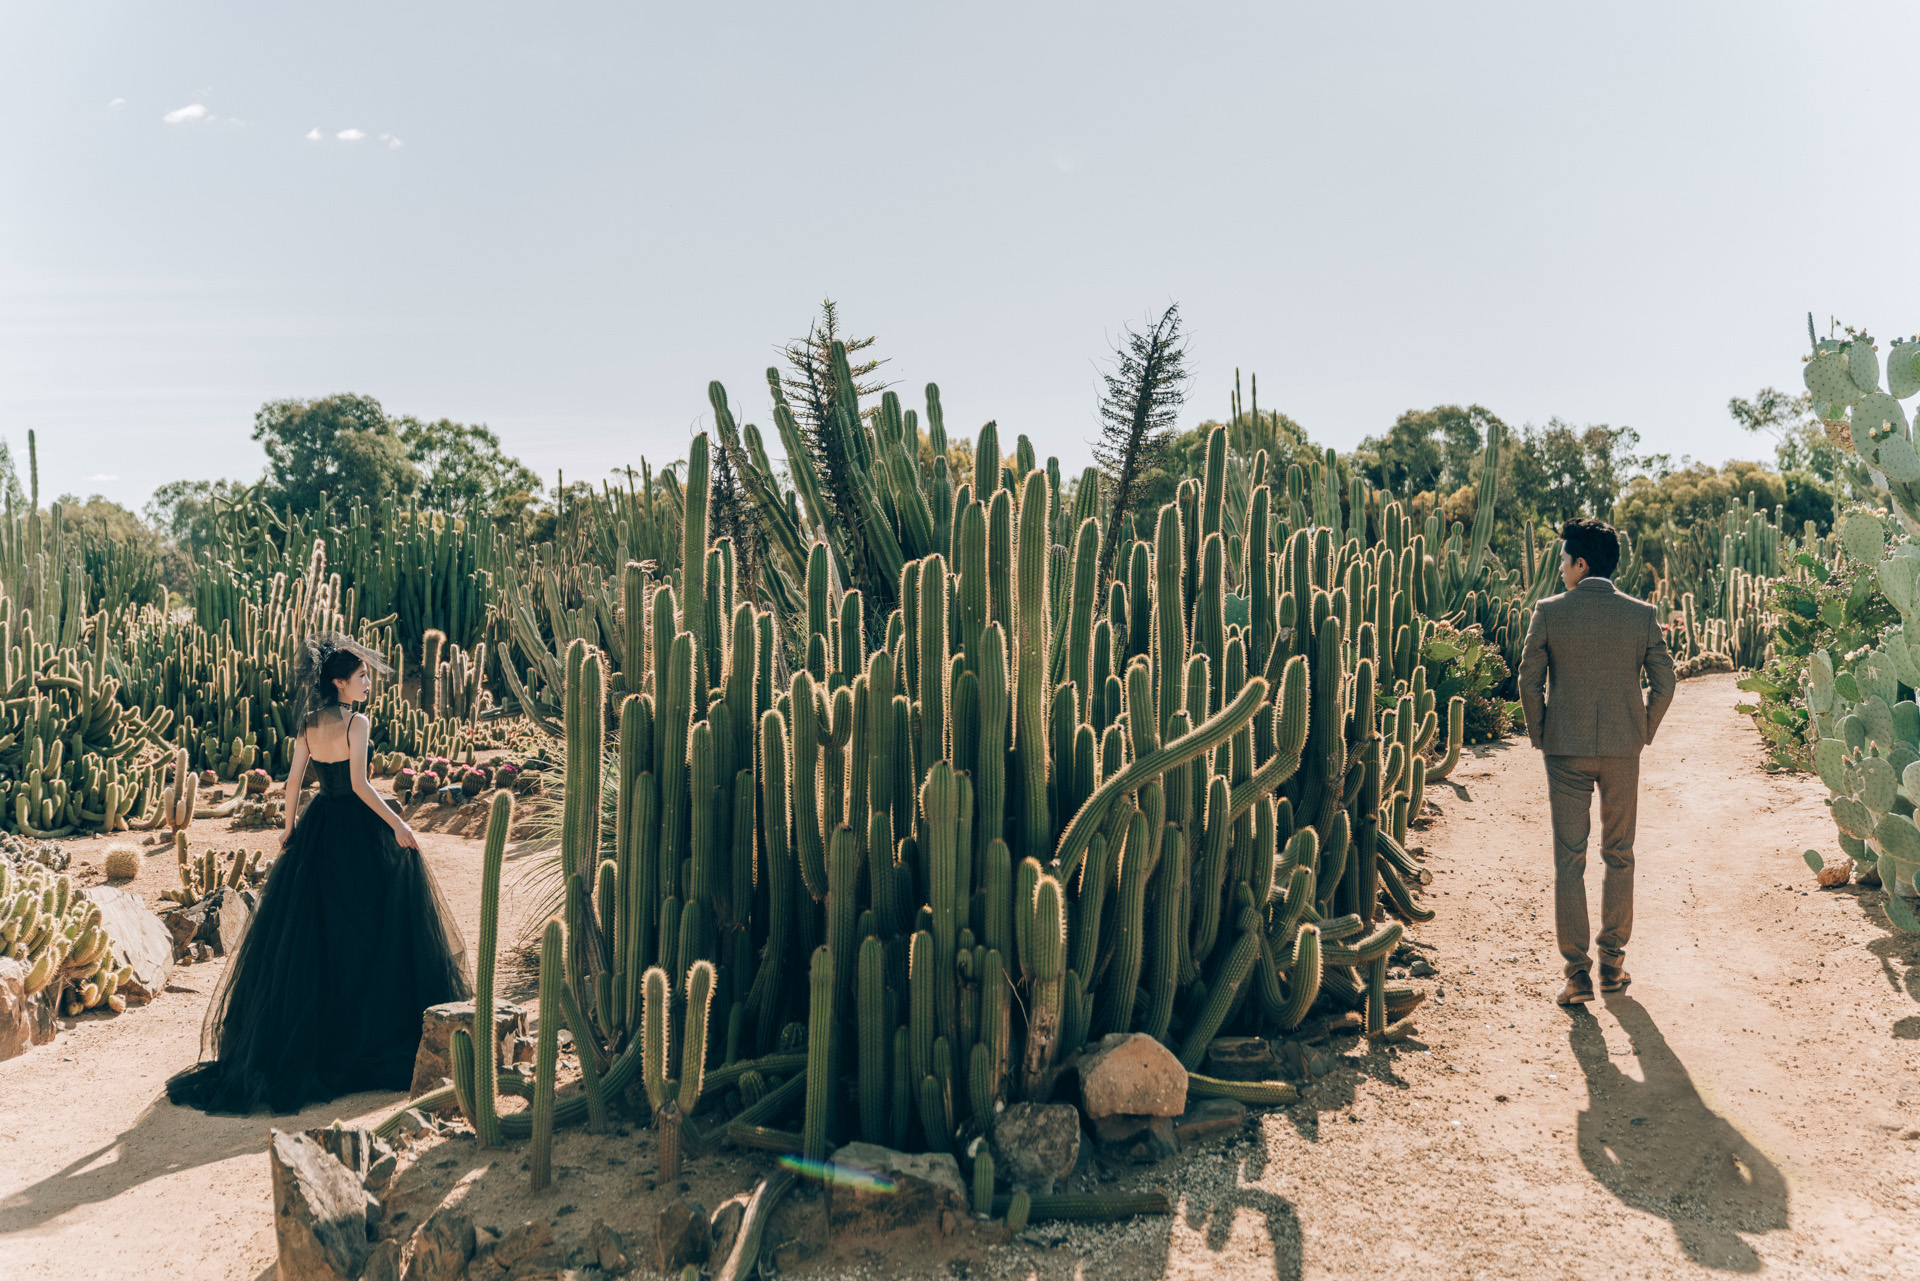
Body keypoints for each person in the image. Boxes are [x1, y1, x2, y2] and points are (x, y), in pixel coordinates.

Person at [166, 633, 471, 1114]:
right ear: (339, 683)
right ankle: (371, 1034)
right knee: (370, 931)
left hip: (320, 827)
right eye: (361, 677)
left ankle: (325, 1040)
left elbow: (293, 780)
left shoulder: (309, 724)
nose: (368, 683)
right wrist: (399, 824)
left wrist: (288, 828)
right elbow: (361, 784)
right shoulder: (356, 723)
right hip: (357, 830)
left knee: (317, 939)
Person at [1518, 518, 1676, 1007]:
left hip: (1564, 750)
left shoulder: (1548, 612)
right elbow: (1665, 683)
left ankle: (1577, 975)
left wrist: (1543, 734)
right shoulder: (1642, 615)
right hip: (1623, 750)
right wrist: (1641, 731)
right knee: (1619, 853)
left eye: (1564, 560)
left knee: (1570, 859)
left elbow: (1528, 681)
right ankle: (1612, 965)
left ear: (1580, 563)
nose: (1561, 569)